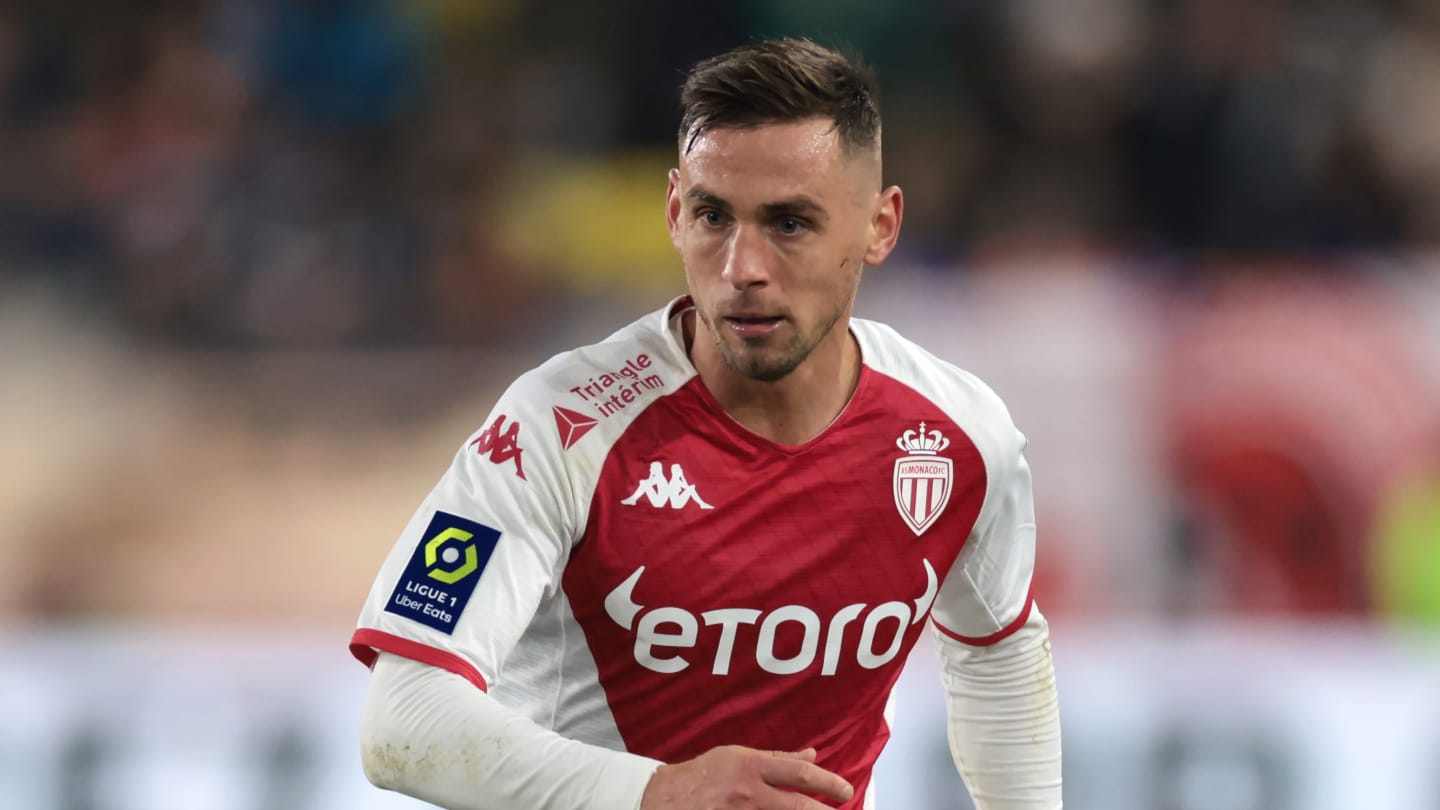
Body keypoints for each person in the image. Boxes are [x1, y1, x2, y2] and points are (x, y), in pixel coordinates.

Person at [350, 37, 1062, 809]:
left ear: (879, 226)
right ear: (673, 212)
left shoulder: (958, 436)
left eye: (789, 223)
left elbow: (998, 653)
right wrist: (659, 792)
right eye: (714, 216)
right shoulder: (558, 426)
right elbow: (403, 720)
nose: (742, 268)